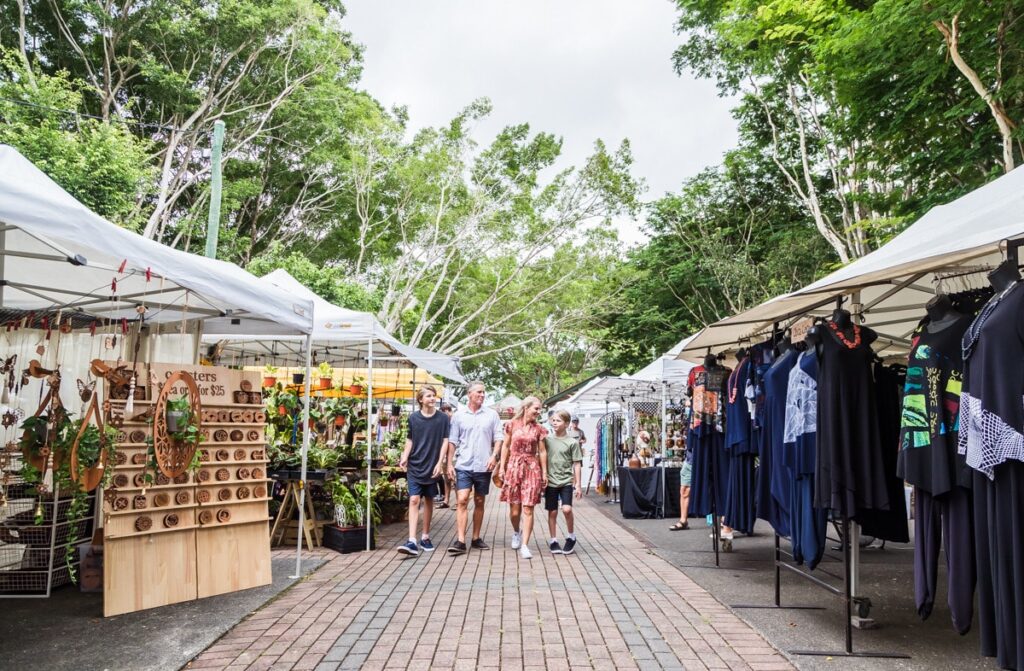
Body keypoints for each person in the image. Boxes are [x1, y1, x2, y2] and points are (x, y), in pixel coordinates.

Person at [446, 381, 503, 556]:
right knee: (462, 499)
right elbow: (452, 441)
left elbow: (499, 437)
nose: (482, 395)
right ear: (469, 394)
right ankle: (461, 540)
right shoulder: (459, 415)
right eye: (479, 392)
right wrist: (449, 463)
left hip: (483, 465)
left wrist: (494, 456)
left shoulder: (492, 415)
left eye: (484, 392)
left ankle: (476, 538)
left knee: (479, 500)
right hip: (463, 464)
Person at [397, 385, 449, 556]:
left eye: (433, 395)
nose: (432, 398)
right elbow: (410, 440)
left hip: (432, 464)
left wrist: (440, 463)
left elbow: (445, 441)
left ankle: (425, 536)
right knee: (413, 499)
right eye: (428, 396)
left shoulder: (443, 419)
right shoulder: (413, 418)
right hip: (415, 464)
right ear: (421, 400)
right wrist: (405, 456)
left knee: (428, 500)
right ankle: (411, 540)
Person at [499, 396, 548, 559]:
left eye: (540, 409)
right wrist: (501, 468)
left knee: (528, 507)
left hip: (532, 467)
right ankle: (516, 532)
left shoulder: (539, 428)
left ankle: (525, 545)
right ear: (526, 408)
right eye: (536, 408)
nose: (538, 412)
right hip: (514, 466)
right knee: (514, 510)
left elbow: (542, 451)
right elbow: (505, 446)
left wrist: (544, 472)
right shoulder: (511, 425)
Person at [544, 410, 582, 554]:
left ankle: (571, 536)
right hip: (551, 481)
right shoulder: (547, 440)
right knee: (552, 512)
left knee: (567, 509)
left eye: (558, 420)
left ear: (566, 424)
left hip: (566, 480)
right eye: (553, 420)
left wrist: (577, 484)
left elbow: (577, 464)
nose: (554, 423)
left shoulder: (572, 442)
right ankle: (553, 540)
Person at [436, 402, 455, 508]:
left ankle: (458, 501)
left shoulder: (455, 421)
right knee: (447, 478)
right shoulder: (443, 423)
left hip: (455, 454)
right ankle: (446, 500)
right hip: (444, 454)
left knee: (455, 478)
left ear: (447, 411)